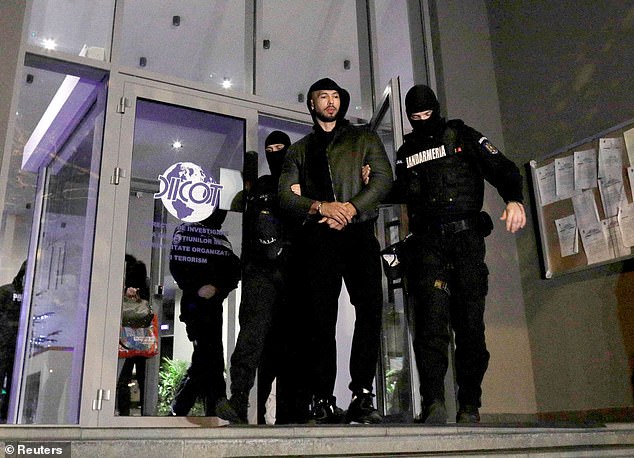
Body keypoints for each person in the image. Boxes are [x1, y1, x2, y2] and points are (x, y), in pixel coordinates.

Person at [393, 84, 526, 424]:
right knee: (431, 325)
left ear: (436, 110)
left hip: (466, 240)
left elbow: (502, 167)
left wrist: (514, 199)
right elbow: (397, 191)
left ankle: (470, 403)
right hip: (427, 245)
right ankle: (434, 402)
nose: (423, 121)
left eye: (427, 114)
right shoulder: (405, 153)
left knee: (469, 325)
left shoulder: (463, 136)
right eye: (416, 117)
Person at [278, 77, 393, 424]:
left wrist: (351, 208)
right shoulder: (299, 150)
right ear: (311, 104)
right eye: (322, 97)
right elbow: (285, 196)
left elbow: (384, 179)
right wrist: (320, 207)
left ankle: (362, 394)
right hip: (319, 240)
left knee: (371, 311)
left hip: (359, 235)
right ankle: (323, 399)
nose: (330, 102)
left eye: (335, 97)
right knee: (320, 320)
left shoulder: (363, 138)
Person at [217, 130, 292, 425]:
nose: (275, 152)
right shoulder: (260, 185)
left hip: (290, 273)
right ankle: (239, 400)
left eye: (280, 147)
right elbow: (246, 223)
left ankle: (289, 409)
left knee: (287, 343)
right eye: (270, 148)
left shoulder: (300, 183)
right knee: (250, 339)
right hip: (260, 273)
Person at [168, 209, 241, 416]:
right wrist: (197, 287)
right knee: (209, 356)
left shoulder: (219, 238)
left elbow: (234, 270)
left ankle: (204, 407)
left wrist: (217, 288)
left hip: (212, 306)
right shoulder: (187, 230)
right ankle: (208, 404)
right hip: (196, 306)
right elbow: (178, 264)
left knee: (208, 357)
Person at [116, 254, 151, 416]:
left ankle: (124, 412)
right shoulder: (143, 280)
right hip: (142, 335)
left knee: (124, 377)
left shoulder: (124, 284)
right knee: (142, 377)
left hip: (127, 335)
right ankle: (146, 412)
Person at [0, 261, 26, 422]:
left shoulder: (34, 296)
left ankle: (7, 414)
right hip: (4, 344)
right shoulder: (6, 292)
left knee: (15, 383)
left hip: (20, 348)